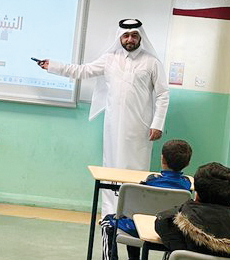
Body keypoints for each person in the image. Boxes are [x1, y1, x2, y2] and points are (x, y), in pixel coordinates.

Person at [37, 18, 169, 216]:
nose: (130, 39)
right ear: (120, 37)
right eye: (126, 35)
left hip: (140, 128)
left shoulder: (152, 62)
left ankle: (133, 215)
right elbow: (82, 71)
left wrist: (157, 124)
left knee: (136, 171)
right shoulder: (109, 59)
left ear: (140, 37)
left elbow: (163, 94)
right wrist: (52, 66)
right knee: (111, 170)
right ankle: (110, 213)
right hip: (113, 126)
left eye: (134, 35)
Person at [91, 138, 192, 260]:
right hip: (167, 231)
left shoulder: (151, 181)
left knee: (108, 222)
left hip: (141, 228)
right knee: (140, 220)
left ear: (162, 158)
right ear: (187, 163)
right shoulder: (187, 185)